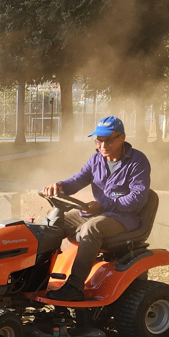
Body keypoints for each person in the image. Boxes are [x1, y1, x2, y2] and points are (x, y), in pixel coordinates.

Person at [42, 116, 151, 301]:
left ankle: (75, 288)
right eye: (99, 140)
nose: (102, 145)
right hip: (100, 212)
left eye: (108, 140)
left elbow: (137, 200)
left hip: (125, 218)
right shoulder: (96, 160)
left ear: (122, 138)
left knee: (91, 228)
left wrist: (103, 205)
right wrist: (60, 186)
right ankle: (36, 278)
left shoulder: (137, 161)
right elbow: (77, 180)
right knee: (53, 222)